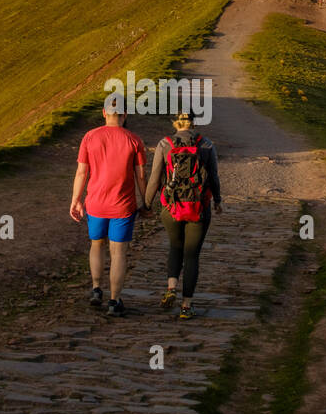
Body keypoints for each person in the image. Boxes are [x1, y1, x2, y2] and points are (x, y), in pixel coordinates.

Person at [70, 100, 148, 317]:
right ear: (125, 114)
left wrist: (76, 199)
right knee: (118, 253)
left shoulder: (90, 137)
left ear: (104, 113)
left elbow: (81, 172)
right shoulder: (134, 140)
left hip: (95, 203)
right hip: (123, 205)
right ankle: (114, 301)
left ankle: (96, 289)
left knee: (96, 245)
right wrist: (147, 203)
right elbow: (141, 176)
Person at [144, 112, 222, 320]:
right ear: (193, 124)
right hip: (198, 206)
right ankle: (186, 306)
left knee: (175, 246)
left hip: (171, 207)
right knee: (192, 255)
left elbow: (154, 178)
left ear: (175, 124)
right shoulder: (206, 144)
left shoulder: (164, 144)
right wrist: (218, 201)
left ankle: (171, 287)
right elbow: (213, 176)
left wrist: (146, 202)